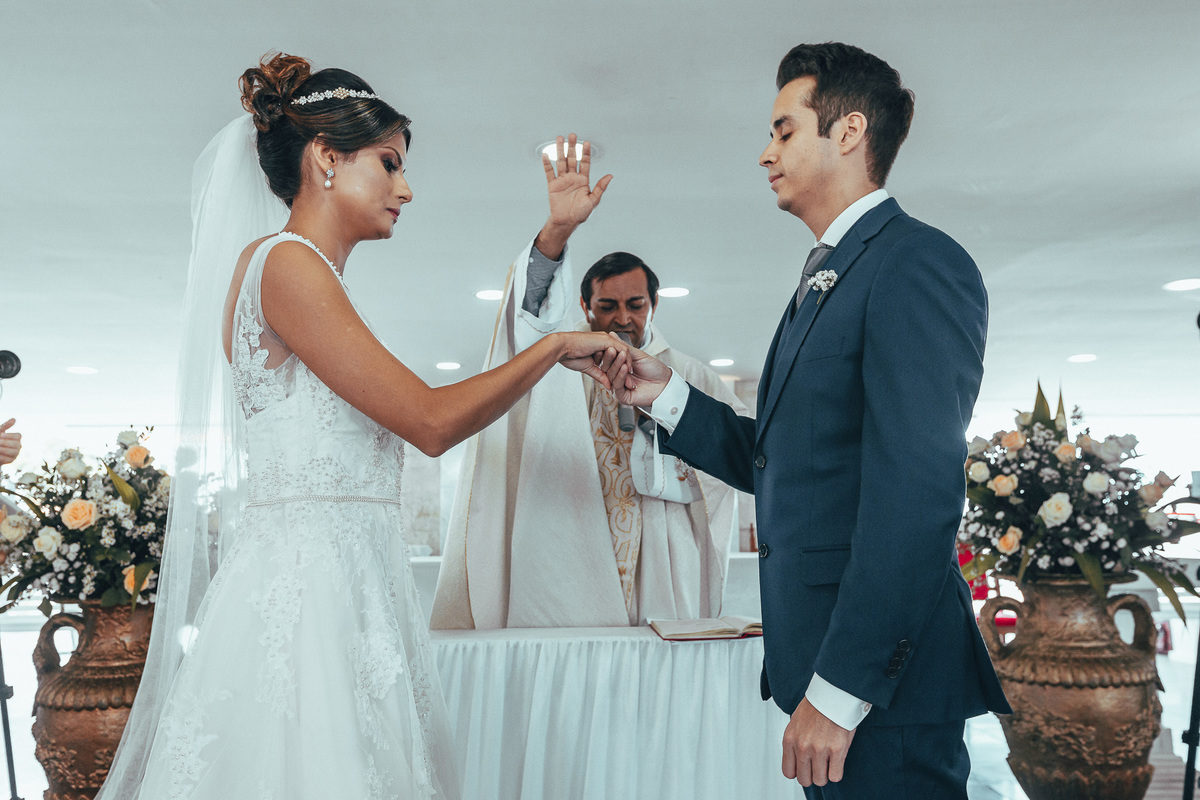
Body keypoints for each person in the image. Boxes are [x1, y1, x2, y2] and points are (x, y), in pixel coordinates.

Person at [98, 53, 625, 800]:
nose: (405, 188)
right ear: (325, 159)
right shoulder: (288, 266)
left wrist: (549, 250)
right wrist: (552, 348)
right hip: (310, 599)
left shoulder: (305, 273)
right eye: (389, 163)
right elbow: (431, 422)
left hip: (345, 583)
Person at [604, 43, 1010, 799]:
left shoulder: (914, 263)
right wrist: (664, 394)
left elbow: (916, 496)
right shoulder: (826, 277)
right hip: (826, 667)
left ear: (849, 131)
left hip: (879, 688)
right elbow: (784, 460)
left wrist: (841, 688)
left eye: (783, 131)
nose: (765, 153)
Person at [431, 137, 746, 629]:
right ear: (584, 307)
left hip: (662, 552)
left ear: (654, 305)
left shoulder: (692, 376)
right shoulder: (556, 366)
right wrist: (557, 232)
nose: (622, 317)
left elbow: (740, 460)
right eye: (607, 305)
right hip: (568, 539)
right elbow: (527, 322)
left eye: (635, 304)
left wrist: (661, 447)